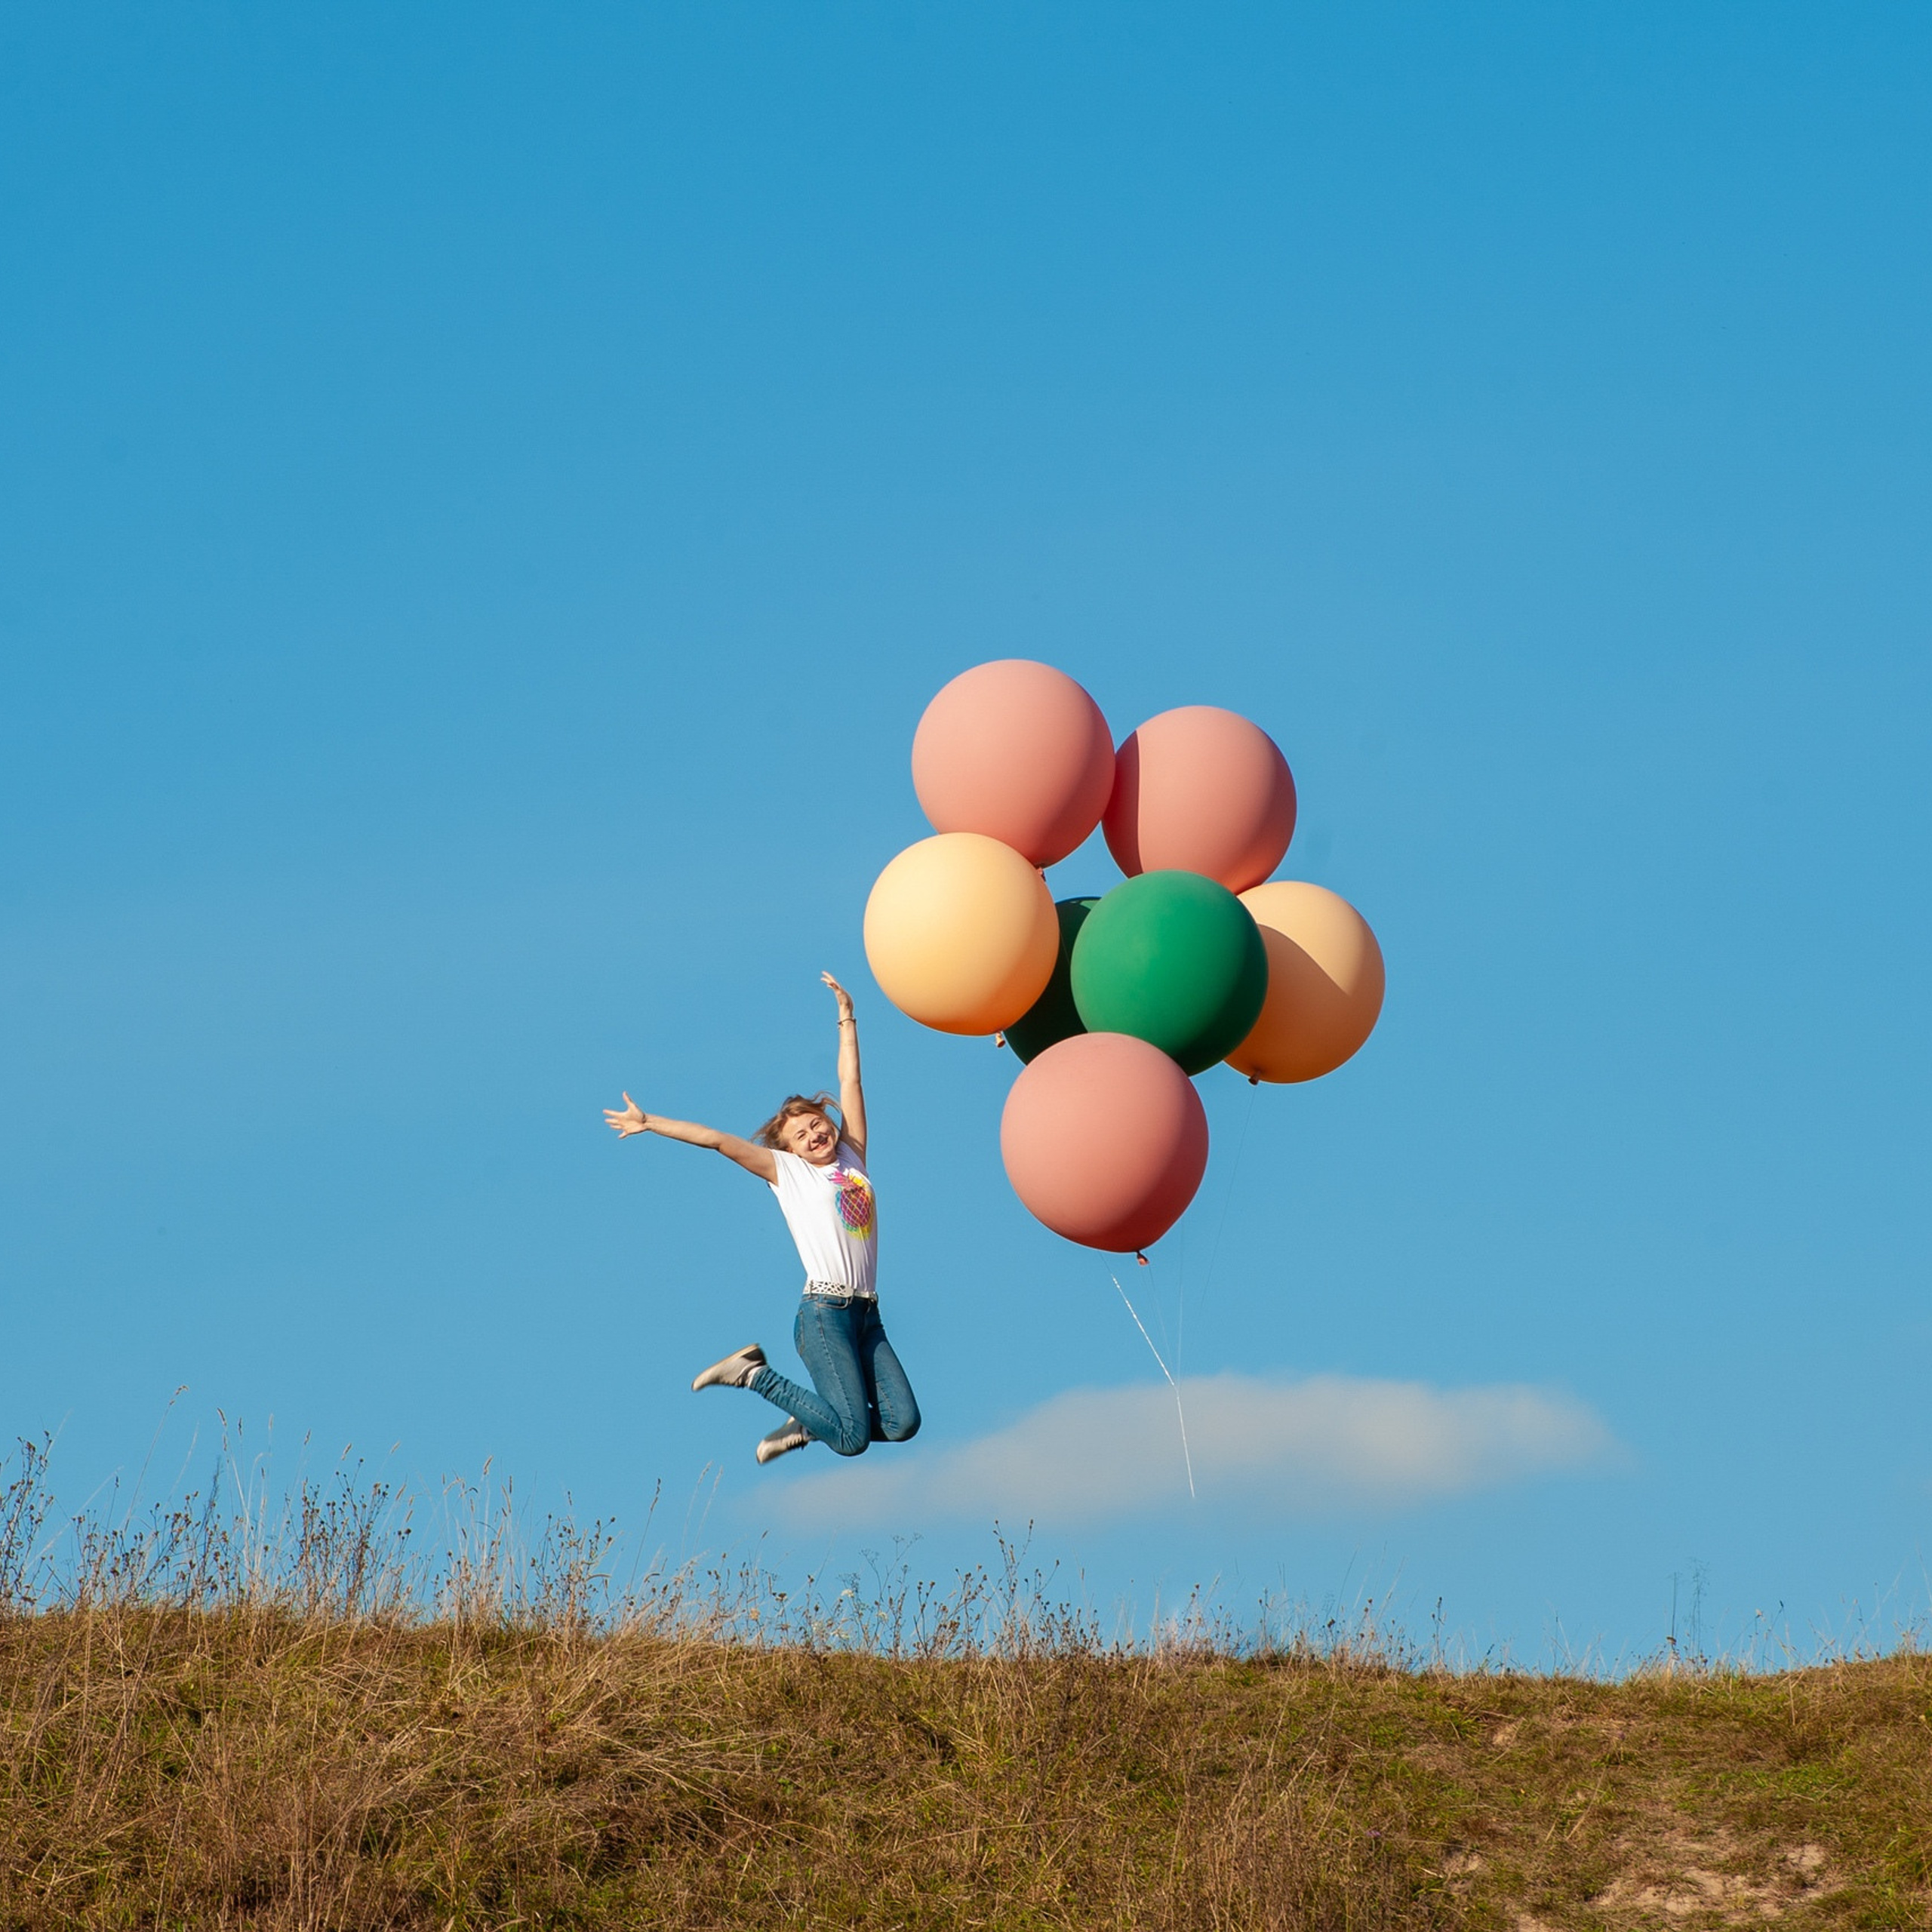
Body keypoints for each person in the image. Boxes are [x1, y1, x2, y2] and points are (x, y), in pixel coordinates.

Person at [603, 972, 921, 1466]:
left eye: (817, 1124)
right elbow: (717, 1140)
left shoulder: (853, 1156)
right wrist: (650, 1123)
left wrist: (847, 1017)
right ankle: (752, 1373)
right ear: (790, 1150)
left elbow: (850, 1082)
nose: (815, 1135)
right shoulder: (788, 1173)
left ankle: (812, 1420)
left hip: (867, 1315)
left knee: (903, 1424)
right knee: (852, 1440)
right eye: (802, 1136)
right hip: (825, 1316)